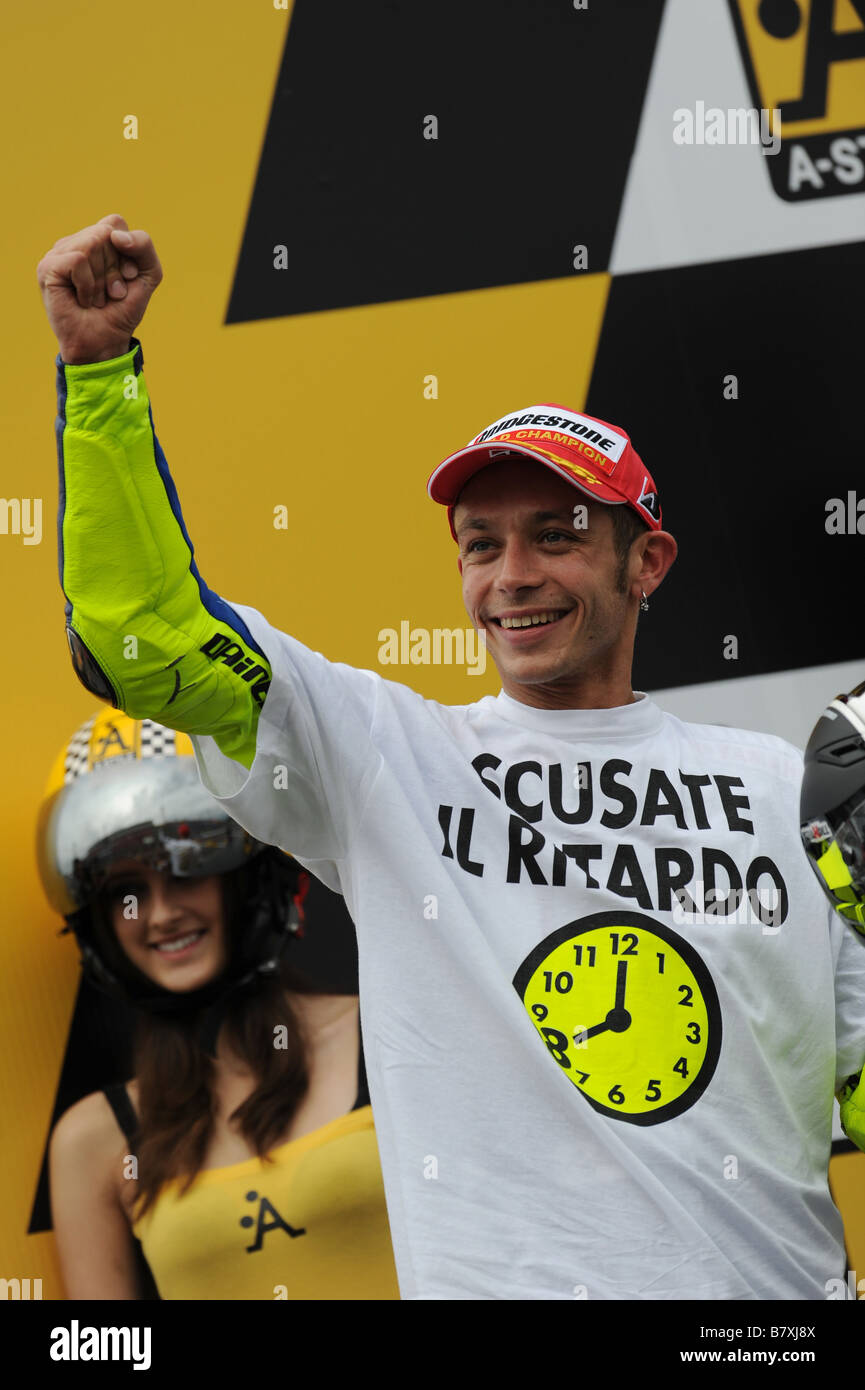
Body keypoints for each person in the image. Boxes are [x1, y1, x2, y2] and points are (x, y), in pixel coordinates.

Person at [38, 213, 865, 1300]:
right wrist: (100, 374)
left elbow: (844, 1091)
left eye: (556, 535)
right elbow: (142, 633)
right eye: (481, 545)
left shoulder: (785, 790)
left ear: (647, 560)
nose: (510, 574)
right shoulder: (387, 754)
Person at [42, 707, 399, 1300]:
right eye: (126, 891)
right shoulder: (94, 1139)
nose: (159, 914)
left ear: (247, 875)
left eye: (186, 869)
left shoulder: (389, 1033)